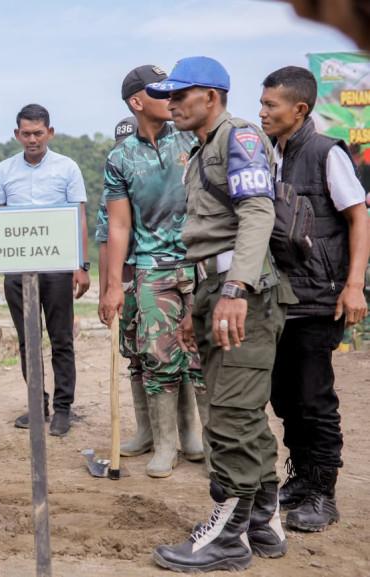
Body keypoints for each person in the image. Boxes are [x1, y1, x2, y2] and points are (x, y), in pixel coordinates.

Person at [147, 57, 295, 571]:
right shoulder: (202, 148)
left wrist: (235, 288)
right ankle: (263, 522)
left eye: (179, 95)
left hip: (243, 293)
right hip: (217, 287)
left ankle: (228, 536)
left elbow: (256, 211)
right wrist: (201, 301)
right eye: (167, 97)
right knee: (243, 413)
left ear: (210, 96)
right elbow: (212, 235)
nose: (171, 105)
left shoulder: (239, 137)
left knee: (230, 416)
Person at [259, 66, 369, 531]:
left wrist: (353, 285)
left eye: (270, 105)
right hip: (281, 297)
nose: (262, 112)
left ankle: (324, 492)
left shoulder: (327, 153)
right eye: (261, 103)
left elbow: (359, 217)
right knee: (285, 396)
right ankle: (301, 477)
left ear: (299, 109)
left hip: (320, 296)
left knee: (314, 398)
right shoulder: (271, 155)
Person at [100, 65, 206, 478]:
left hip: (199, 264)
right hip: (152, 268)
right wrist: (113, 286)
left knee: (201, 357)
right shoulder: (120, 158)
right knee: (158, 357)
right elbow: (118, 226)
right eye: (160, 93)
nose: (171, 98)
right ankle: (164, 445)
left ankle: (205, 442)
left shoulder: (193, 139)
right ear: (137, 102)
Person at [0, 103, 90, 436]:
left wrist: (81, 265)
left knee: (61, 339)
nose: (32, 139)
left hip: (57, 268)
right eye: (26, 133)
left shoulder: (67, 168)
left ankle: (63, 408)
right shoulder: (4, 171)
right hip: (17, 270)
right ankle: (37, 404)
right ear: (16, 134)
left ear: (50, 132)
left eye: (38, 133)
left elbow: (79, 218)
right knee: (27, 341)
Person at [97, 116, 151, 456]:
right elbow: (105, 241)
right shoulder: (111, 190)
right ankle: (146, 431)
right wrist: (106, 290)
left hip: (159, 272)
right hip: (126, 277)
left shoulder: (161, 182)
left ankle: (185, 433)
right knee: (134, 355)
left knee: (172, 356)